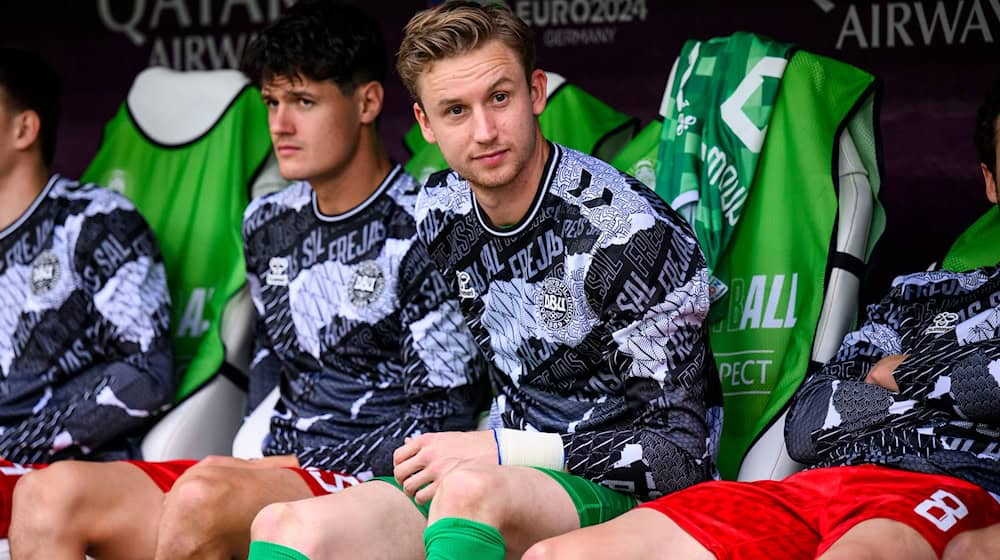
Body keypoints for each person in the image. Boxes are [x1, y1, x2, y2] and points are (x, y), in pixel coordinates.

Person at [244, 3, 723, 559]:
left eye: (500, 97)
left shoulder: (629, 236)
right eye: (455, 111)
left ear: (536, 92)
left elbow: (680, 454)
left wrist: (504, 450)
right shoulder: (441, 212)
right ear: (424, 124)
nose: (485, 131)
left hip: (628, 492)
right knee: (284, 526)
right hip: (494, 469)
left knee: (470, 495)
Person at [8, 2, 485, 559]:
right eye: (272, 102)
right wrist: (254, 456)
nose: (280, 125)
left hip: (374, 485)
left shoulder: (430, 223)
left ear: (368, 102)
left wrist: (285, 466)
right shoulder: (268, 220)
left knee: (206, 497)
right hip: (271, 473)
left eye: (304, 102)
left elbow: (443, 417)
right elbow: (269, 364)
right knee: (49, 492)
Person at [518, 77, 1000, 560]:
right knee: (558, 555)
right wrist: (953, 391)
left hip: (946, 482)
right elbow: (809, 418)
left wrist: (899, 372)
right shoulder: (917, 291)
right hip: (817, 485)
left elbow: (987, 383)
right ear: (990, 181)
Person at [0, 42, 173, 481]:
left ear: (24, 129)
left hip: (61, 474)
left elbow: (148, 373)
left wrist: (17, 446)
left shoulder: (95, 224)